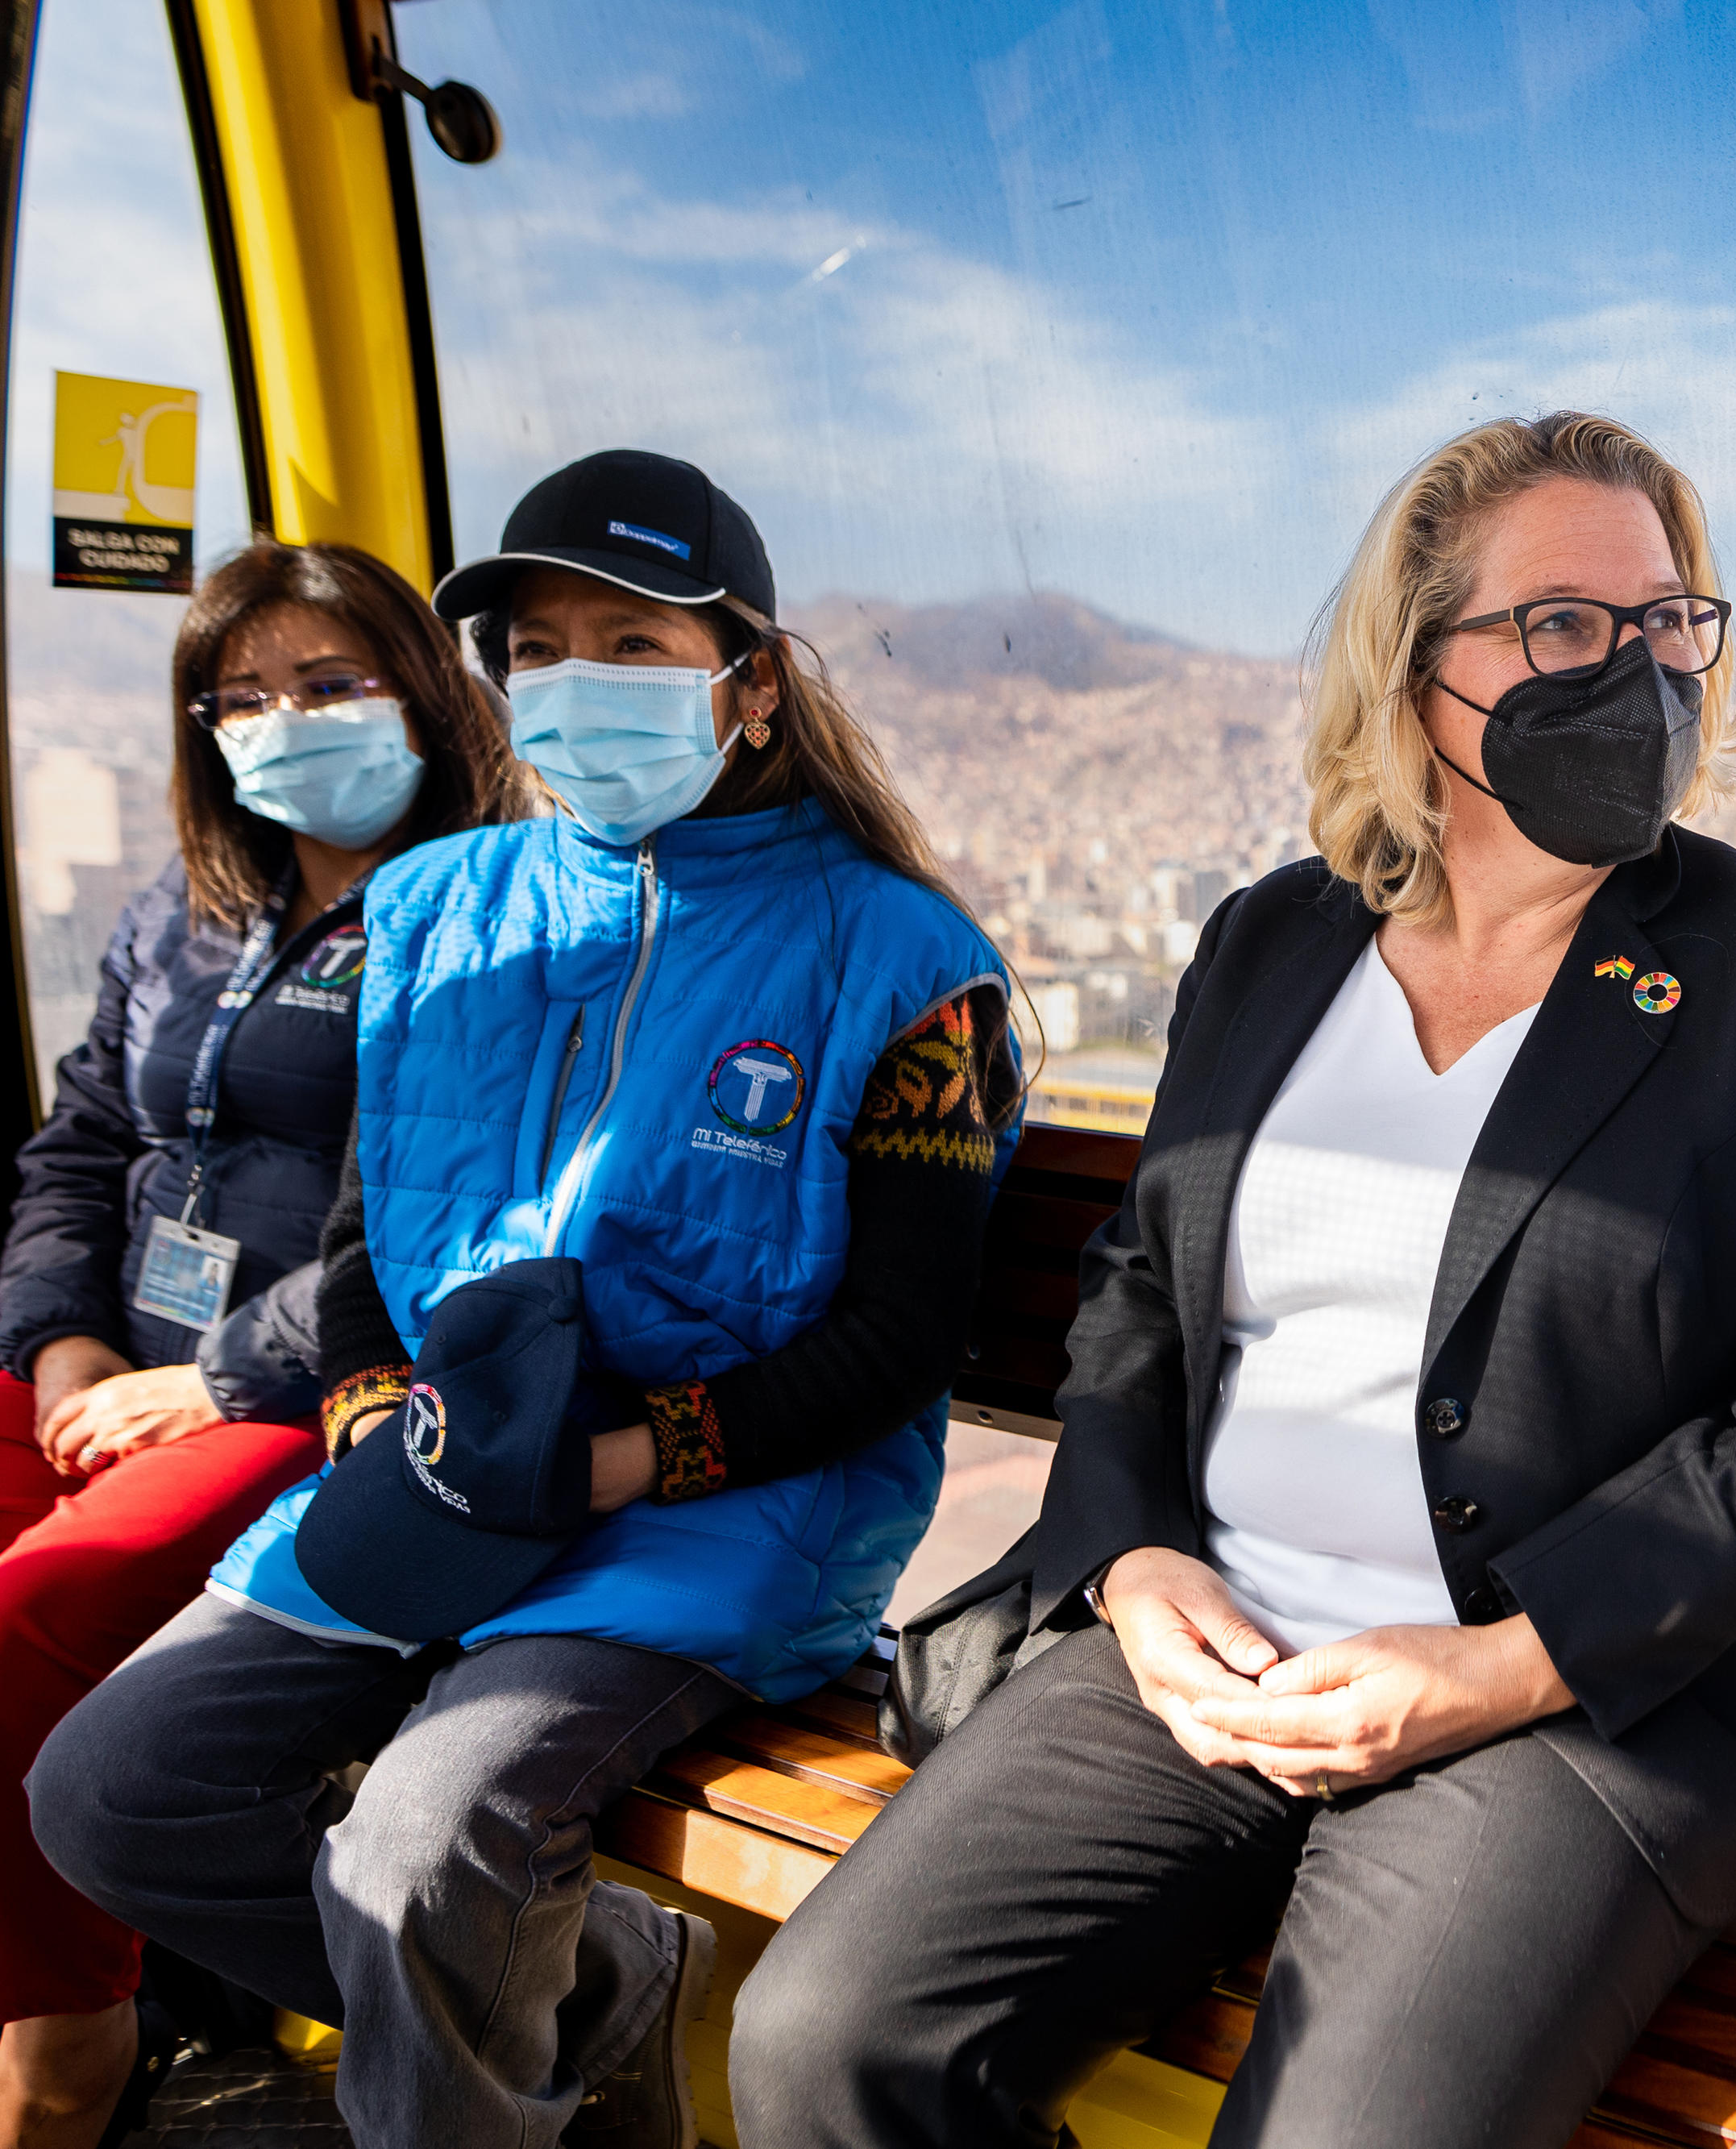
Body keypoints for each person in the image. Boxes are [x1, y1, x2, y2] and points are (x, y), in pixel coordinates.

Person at [725, 411, 1736, 2149]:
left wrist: (1499, 1666)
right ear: (1417, 667)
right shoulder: (1272, 940)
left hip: (1575, 1705)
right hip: (1212, 1642)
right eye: (1566, 625)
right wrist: (1134, 1564)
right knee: (825, 2039)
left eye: (1669, 622)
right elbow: (1143, 1285)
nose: (1640, 669)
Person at [31, 450, 1024, 2149]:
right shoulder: (433, 912)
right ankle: (597, 1980)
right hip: (435, 1472)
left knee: (423, 1849)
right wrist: (372, 1424)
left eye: (632, 646)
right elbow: (366, 1245)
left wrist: (625, 1463)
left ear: (752, 682)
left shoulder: (902, 957)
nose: (579, 688)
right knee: (112, 1791)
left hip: (712, 1511)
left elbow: (896, 1343)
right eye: (540, 650)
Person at [0, 542, 517, 2149]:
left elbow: (437, 1228)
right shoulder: (193, 902)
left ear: (426, 699)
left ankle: (73, 2040)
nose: (280, 722)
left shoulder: (487, 906)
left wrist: (208, 1381)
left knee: (27, 1622)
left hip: (317, 1391)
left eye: (327, 685)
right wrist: (65, 1340)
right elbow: (83, 1140)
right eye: (238, 698)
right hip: (114, 1366)